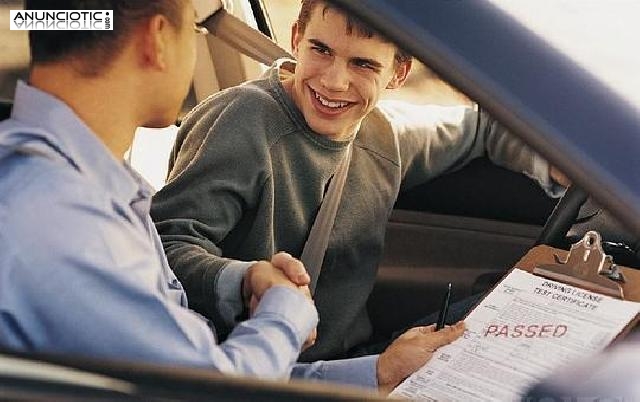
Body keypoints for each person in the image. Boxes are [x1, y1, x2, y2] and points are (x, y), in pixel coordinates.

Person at [0, 0, 464, 393]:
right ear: (158, 39)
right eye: (195, 29)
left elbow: (195, 367)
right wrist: (286, 311)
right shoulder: (65, 222)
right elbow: (208, 389)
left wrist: (377, 373)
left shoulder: (85, 189)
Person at [150, 0, 560, 362]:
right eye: (321, 50)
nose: (333, 81)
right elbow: (165, 247)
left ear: (397, 74)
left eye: (363, 64)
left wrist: (557, 165)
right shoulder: (244, 120)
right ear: (297, 38)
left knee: (511, 314)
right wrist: (247, 280)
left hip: (351, 358)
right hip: (252, 364)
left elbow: (479, 128)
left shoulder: (385, 137)